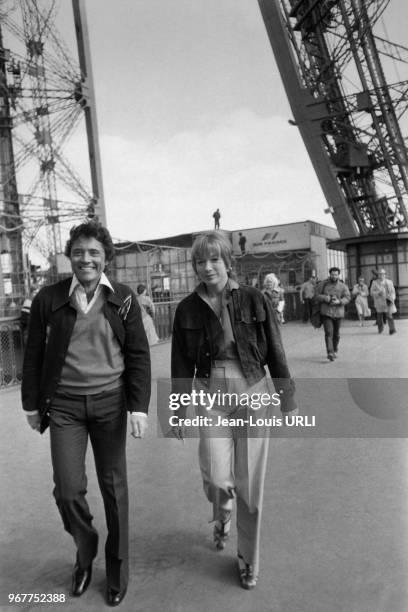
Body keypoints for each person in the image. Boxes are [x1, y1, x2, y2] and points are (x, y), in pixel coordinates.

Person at [21, 221, 151, 606]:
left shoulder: (123, 298)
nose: (86, 259)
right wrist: (31, 404)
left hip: (111, 403)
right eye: (79, 252)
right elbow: (33, 357)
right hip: (64, 407)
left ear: (106, 257)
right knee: (67, 489)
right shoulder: (49, 298)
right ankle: (85, 548)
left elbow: (138, 356)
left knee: (114, 491)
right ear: (69, 257)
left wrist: (138, 408)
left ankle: (117, 569)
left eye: (94, 252)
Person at [170, 231, 297, 590]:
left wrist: (287, 397)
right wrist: (178, 412)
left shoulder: (255, 299)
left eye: (214, 259)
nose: (207, 267)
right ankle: (221, 515)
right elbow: (180, 362)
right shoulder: (187, 309)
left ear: (228, 261)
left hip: (253, 389)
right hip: (210, 395)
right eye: (200, 261)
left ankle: (247, 561)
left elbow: (275, 349)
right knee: (216, 478)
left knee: (250, 487)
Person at [315, 267, 350, 361]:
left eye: (336, 274)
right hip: (326, 312)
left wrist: (340, 301)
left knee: (337, 334)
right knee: (328, 333)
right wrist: (325, 298)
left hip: (338, 313)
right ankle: (330, 352)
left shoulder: (343, 286)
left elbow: (348, 297)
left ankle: (334, 349)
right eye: (332, 274)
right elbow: (316, 295)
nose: (334, 276)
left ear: (339, 275)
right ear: (329, 274)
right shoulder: (323, 284)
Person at [370, 268, 397, 334]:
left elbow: (393, 292)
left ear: (385, 275)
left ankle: (392, 329)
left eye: (383, 274)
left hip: (388, 301)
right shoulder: (374, 282)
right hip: (379, 302)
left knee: (389, 315)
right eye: (380, 274)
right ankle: (380, 328)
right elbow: (371, 292)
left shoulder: (389, 282)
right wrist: (378, 293)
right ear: (378, 275)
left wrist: (392, 298)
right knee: (379, 316)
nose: (381, 275)